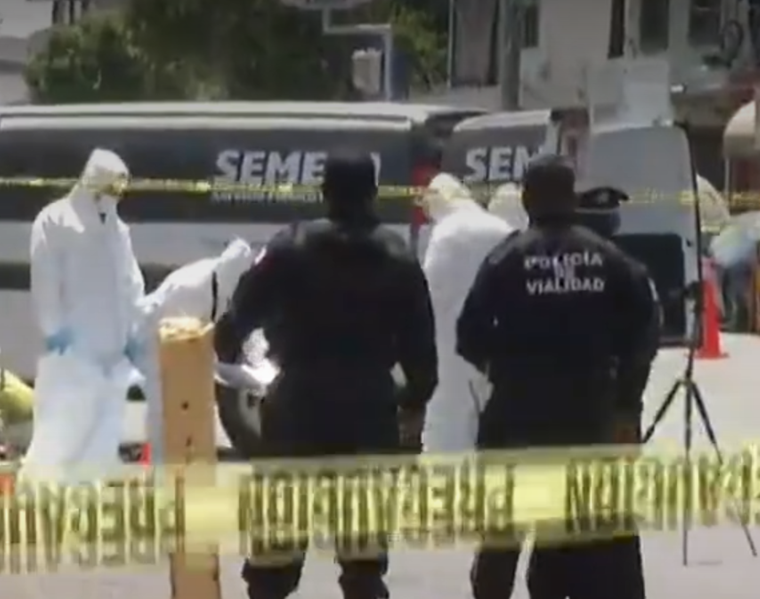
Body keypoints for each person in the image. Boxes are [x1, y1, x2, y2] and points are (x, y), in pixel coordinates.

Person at [213, 150, 439, 599]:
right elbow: (421, 352)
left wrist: (227, 344)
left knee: (274, 557)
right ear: (373, 193)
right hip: (368, 407)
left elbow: (237, 319)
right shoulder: (398, 256)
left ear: (324, 191)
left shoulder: (289, 245)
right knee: (363, 564)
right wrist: (413, 402)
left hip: (298, 405)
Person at [456, 155, 658, 599]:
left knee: (501, 538)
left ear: (527, 199)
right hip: (590, 416)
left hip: (516, 416)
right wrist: (626, 400)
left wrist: (504, 366)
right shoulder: (609, 258)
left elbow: (468, 335)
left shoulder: (506, 258)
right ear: (572, 199)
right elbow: (645, 329)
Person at [23, 148, 146, 482]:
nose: (116, 197)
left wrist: (134, 331)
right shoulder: (54, 222)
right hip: (73, 357)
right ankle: (39, 499)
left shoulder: (117, 230)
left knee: (101, 440)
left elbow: (130, 283)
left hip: (113, 358)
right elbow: (46, 283)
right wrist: (55, 331)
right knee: (59, 439)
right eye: (111, 189)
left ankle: (87, 500)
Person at [133, 238, 256, 463]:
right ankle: (163, 466)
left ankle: (181, 461)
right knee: (166, 411)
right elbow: (182, 343)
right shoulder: (193, 291)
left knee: (186, 411)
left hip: (172, 346)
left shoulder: (214, 282)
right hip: (153, 346)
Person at [420, 173, 513, 454]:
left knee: (449, 419)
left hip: (449, 343)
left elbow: (429, 295)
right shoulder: (502, 228)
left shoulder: (446, 234)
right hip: (494, 341)